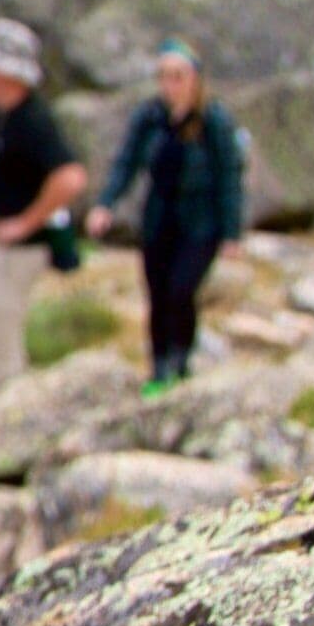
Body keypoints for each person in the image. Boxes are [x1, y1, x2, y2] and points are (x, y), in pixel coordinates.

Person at [87, 39, 249, 396]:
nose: (170, 85)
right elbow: (126, 163)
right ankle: (159, 367)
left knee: (181, 290)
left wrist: (232, 233)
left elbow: (229, 177)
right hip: (159, 221)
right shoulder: (150, 118)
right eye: (163, 77)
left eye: (178, 76)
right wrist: (106, 204)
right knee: (157, 293)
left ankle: (181, 360)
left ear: (194, 78)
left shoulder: (215, 121)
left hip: (200, 223)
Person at [0, 17, 86, 396]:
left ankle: (6, 419)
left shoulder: (32, 121)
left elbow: (70, 177)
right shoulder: (5, 117)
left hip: (12, 252)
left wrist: (25, 223)